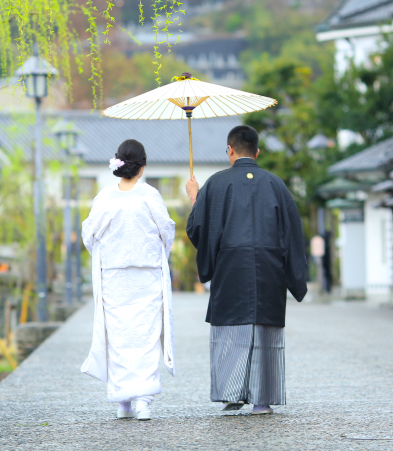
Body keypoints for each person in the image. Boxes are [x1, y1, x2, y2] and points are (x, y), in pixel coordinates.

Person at [185, 125, 307, 415]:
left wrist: (195, 196)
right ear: (257, 151)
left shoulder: (215, 184)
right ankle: (262, 401)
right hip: (269, 268)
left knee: (230, 329)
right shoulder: (276, 184)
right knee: (264, 330)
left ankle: (232, 395)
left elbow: (198, 228)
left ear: (230, 150)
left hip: (230, 267)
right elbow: (292, 234)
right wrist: (295, 277)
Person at [81, 139, 176, 421]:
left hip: (114, 277)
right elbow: (166, 231)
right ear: (142, 167)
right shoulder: (149, 195)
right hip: (146, 275)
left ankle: (123, 402)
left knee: (119, 338)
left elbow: (89, 234)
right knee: (145, 338)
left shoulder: (105, 198)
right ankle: (143, 402)